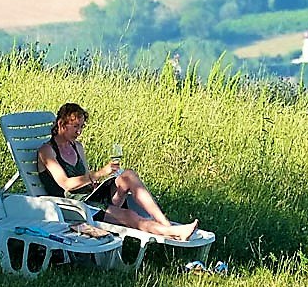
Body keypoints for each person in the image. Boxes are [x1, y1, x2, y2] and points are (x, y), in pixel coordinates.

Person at [34, 102, 199, 242]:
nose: (79, 131)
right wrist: (98, 174)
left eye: (82, 126)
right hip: (76, 206)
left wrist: (95, 184)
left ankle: (165, 224)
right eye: (75, 126)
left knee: (127, 175)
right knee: (129, 215)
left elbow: (83, 177)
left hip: (91, 198)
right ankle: (175, 233)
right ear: (62, 124)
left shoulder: (77, 147)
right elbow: (66, 184)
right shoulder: (47, 151)